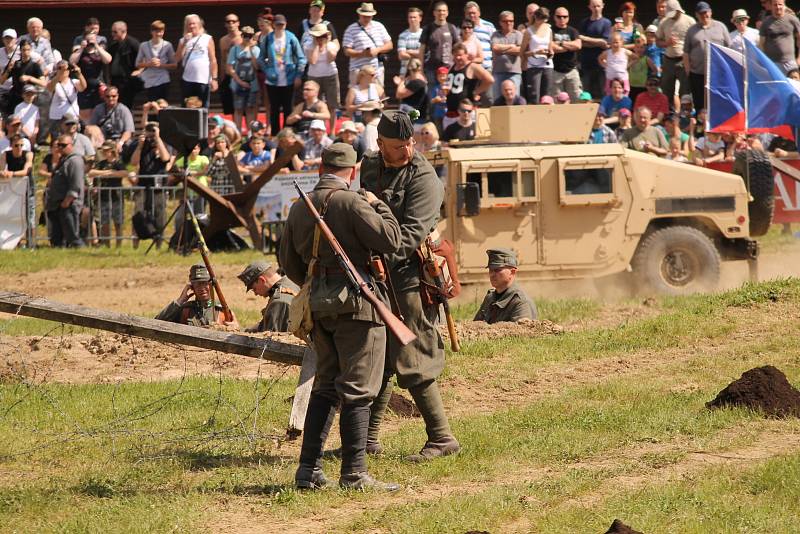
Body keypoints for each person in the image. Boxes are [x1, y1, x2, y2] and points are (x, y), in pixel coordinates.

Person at [280, 142, 402, 491]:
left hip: (318, 307)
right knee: (359, 390)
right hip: (358, 308)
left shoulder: (298, 208)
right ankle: (354, 474)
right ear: (353, 170)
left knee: (325, 387)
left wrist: (319, 280)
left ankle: (308, 471)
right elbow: (391, 239)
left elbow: (289, 264)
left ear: (321, 168)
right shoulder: (353, 202)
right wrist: (380, 205)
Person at [360, 110, 459, 462]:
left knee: (411, 352)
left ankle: (441, 437)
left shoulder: (424, 179)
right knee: (383, 356)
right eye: (397, 145)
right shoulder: (370, 166)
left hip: (409, 276)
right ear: (379, 144)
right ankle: (367, 441)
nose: (406, 151)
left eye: (409, 144)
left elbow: (407, 238)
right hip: (376, 272)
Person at [259, 14, 306, 136]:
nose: (280, 27)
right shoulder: (268, 39)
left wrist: (298, 75)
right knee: (274, 109)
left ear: (285, 24)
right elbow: (260, 58)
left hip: (289, 79)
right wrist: (267, 70)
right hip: (272, 80)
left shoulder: (291, 38)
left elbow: (301, 58)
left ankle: (287, 134)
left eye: (282, 24)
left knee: (288, 108)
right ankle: (275, 135)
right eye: (277, 24)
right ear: (273, 25)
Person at [129, 122, 173, 248]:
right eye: (149, 131)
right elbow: (133, 162)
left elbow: (165, 158)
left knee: (159, 216)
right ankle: (135, 245)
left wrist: (158, 138)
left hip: (158, 188)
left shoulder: (163, 144)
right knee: (139, 215)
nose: (151, 134)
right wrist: (140, 146)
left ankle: (158, 244)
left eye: (153, 131)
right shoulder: (143, 146)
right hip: (143, 187)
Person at [156, 264, 237, 327]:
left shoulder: (222, 310)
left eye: (205, 283)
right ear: (192, 287)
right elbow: (156, 323)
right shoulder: (185, 310)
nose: (202, 288)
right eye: (198, 284)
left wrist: (235, 328)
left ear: (212, 285)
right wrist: (180, 301)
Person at [683, 2, 730, 111]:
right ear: (697, 15)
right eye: (701, 13)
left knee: (718, 100)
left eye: (706, 12)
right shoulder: (691, 30)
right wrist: (688, 71)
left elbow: (729, 48)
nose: (704, 15)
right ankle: (701, 125)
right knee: (699, 102)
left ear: (710, 12)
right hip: (697, 74)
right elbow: (686, 52)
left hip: (717, 73)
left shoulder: (721, 27)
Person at [473, 249, 538, 323]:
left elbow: (520, 333)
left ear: (512, 272)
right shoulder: (490, 298)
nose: (492, 274)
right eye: (491, 270)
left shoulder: (520, 302)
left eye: (497, 270)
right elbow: (476, 326)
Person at [45, 134, 85, 248]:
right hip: (58, 204)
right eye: (59, 145)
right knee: (57, 238)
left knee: (72, 235)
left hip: (68, 204)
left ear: (71, 145)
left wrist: (67, 201)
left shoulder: (75, 161)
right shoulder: (63, 160)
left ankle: (81, 252)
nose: (60, 148)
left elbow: (76, 184)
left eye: (63, 145)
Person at [238, 260, 298, 333]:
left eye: (254, 289)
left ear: (261, 280)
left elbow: (270, 341)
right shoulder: (291, 281)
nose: (255, 294)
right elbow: (262, 327)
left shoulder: (279, 302)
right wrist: (239, 330)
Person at [342, 3, 393, 87]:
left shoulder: (379, 26)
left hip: (377, 71)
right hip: (358, 70)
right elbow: (347, 51)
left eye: (369, 16)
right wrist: (363, 53)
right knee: (357, 96)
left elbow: (390, 45)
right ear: (359, 14)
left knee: (378, 96)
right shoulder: (351, 29)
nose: (367, 18)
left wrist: (377, 50)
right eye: (364, 16)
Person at [88, 140, 128, 247]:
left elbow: (124, 173)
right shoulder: (102, 163)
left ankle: (118, 245)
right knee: (104, 222)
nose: (105, 153)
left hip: (117, 195)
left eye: (107, 150)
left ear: (112, 150)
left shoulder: (118, 163)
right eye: (104, 151)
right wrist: (108, 173)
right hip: (104, 195)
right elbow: (91, 172)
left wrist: (112, 173)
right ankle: (107, 244)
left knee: (118, 222)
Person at [444, 43, 493, 129]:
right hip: (451, 112)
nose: (458, 58)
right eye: (455, 55)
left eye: (460, 55)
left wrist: (476, 91)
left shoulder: (472, 67)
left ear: (466, 55)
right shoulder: (452, 67)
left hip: (466, 113)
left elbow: (490, 80)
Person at [656, 0, 695, 107]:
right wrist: (666, 43)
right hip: (669, 59)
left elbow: (696, 40)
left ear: (678, 10)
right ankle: (668, 113)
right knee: (666, 89)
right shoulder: (664, 22)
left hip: (684, 59)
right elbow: (657, 41)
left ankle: (685, 114)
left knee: (685, 90)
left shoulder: (689, 21)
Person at [176, 14, 218, 109]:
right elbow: (177, 58)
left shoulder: (207, 38)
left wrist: (214, 79)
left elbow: (213, 60)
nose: (191, 26)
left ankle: (203, 124)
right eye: (189, 24)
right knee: (187, 107)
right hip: (187, 79)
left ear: (199, 24)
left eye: (193, 23)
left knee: (203, 107)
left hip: (203, 79)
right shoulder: (182, 40)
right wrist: (184, 43)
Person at [305, 23, 340, 135]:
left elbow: (330, 59)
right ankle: (321, 131)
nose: (320, 39)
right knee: (317, 104)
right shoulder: (308, 45)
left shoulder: (331, 45)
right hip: (314, 76)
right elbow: (313, 61)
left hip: (330, 75)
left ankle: (332, 131)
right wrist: (316, 45)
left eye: (322, 36)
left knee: (332, 105)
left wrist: (326, 44)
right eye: (318, 36)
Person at [70, 29, 112, 121]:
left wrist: (96, 45)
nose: (90, 42)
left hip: (98, 87)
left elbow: (108, 60)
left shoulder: (99, 52)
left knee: (99, 112)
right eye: (88, 40)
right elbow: (72, 61)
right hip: (84, 87)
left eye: (92, 39)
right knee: (85, 114)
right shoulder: (80, 52)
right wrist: (81, 48)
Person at [227, 26, 260, 133]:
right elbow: (229, 68)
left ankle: (250, 134)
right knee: (238, 109)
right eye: (245, 36)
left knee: (250, 109)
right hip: (238, 83)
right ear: (241, 36)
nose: (247, 38)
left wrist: (251, 49)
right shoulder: (235, 49)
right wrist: (240, 82)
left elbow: (257, 67)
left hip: (252, 83)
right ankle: (238, 133)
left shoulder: (256, 49)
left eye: (250, 36)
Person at [0, 39, 45, 115]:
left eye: (28, 50)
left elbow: (44, 83)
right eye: (23, 50)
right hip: (15, 97)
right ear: (20, 50)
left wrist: (30, 78)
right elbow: (1, 81)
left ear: (31, 50)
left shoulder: (35, 66)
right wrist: (8, 70)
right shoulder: (15, 64)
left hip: (29, 97)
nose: (26, 52)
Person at [418, 1, 460, 84]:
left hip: (449, 69)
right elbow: (422, 50)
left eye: (444, 10)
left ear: (447, 13)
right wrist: (421, 70)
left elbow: (457, 48)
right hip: (431, 69)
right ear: (434, 13)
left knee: (448, 94)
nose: (441, 13)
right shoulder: (428, 28)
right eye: (439, 10)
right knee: (432, 95)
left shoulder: (451, 28)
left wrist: (457, 66)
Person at [135, 20, 177, 102]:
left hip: (163, 80)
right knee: (152, 105)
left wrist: (161, 65)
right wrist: (149, 64)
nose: (158, 34)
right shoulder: (144, 45)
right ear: (151, 32)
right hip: (149, 81)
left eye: (161, 31)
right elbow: (137, 64)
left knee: (162, 105)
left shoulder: (167, 45)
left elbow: (174, 64)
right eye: (156, 31)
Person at [579, 0, 613, 99]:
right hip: (586, 64)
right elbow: (581, 42)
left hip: (602, 64)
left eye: (598, 6)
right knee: (586, 94)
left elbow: (606, 43)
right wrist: (598, 42)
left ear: (603, 6)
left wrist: (586, 39)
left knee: (603, 93)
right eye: (594, 6)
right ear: (589, 7)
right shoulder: (584, 23)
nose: (596, 8)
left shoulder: (606, 23)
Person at [521, 7, 554, 106]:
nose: (542, 22)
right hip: (533, 66)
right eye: (541, 19)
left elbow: (551, 47)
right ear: (535, 17)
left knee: (547, 97)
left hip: (547, 65)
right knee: (534, 96)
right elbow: (522, 52)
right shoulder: (528, 31)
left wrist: (550, 53)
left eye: (545, 20)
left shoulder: (549, 30)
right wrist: (536, 52)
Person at [551, 7, 584, 102]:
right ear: (554, 17)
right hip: (555, 71)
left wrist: (561, 43)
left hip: (572, 70)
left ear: (568, 18)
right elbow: (552, 47)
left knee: (577, 98)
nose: (562, 19)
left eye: (565, 17)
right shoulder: (550, 30)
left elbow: (578, 46)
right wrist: (569, 46)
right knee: (557, 101)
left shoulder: (573, 31)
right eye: (559, 16)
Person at [759, 0, 800, 75]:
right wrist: (764, 61)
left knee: (795, 81)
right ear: (771, 6)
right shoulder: (765, 23)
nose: (778, 7)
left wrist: (799, 58)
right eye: (775, 5)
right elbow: (761, 44)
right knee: (776, 85)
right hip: (773, 63)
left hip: (790, 61)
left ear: (784, 5)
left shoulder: (792, 20)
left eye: (780, 4)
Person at [107, 21, 141, 110]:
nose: (112, 34)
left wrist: (139, 71)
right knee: (115, 105)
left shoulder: (133, 43)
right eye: (112, 32)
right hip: (115, 81)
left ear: (123, 31)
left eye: (115, 32)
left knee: (127, 106)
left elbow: (143, 59)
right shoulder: (113, 46)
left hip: (128, 81)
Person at [491, 11, 523, 97]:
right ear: (500, 22)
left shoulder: (518, 34)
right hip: (498, 72)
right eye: (505, 21)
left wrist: (503, 50)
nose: (508, 23)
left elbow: (519, 51)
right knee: (498, 99)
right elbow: (495, 48)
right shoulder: (496, 34)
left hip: (514, 72)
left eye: (511, 21)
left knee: (514, 99)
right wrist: (511, 46)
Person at [47, 60, 86, 133]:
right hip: (56, 117)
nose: (64, 71)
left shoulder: (73, 82)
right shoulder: (54, 82)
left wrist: (80, 74)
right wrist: (58, 75)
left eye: (66, 69)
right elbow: (50, 88)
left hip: (72, 117)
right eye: (60, 68)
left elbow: (83, 87)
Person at [463, 2, 496, 78]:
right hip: (469, 69)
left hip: (487, 68)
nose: (471, 15)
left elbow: (494, 46)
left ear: (479, 13)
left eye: (474, 13)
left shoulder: (489, 26)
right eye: (469, 13)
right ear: (465, 14)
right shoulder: (462, 28)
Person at [218, 13, 241, 117]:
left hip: (242, 75)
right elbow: (223, 59)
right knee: (229, 106)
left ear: (238, 23)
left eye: (233, 21)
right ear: (225, 25)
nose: (231, 24)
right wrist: (221, 78)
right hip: (228, 76)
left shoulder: (244, 37)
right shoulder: (223, 40)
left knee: (243, 105)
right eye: (228, 22)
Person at [393, 58, 428, 124]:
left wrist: (401, 82)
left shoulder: (417, 82)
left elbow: (399, 94)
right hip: (417, 115)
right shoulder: (420, 80)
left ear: (409, 68)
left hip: (414, 114)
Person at [397, 7, 423, 76]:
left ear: (420, 18)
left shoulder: (425, 34)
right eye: (410, 17)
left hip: (421, 72)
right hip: (405, 73)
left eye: (414, 17)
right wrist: (418, 54)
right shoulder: (403, 35)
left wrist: (408, 51)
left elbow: (424, 54)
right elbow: (401, 55)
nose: (412, 19)